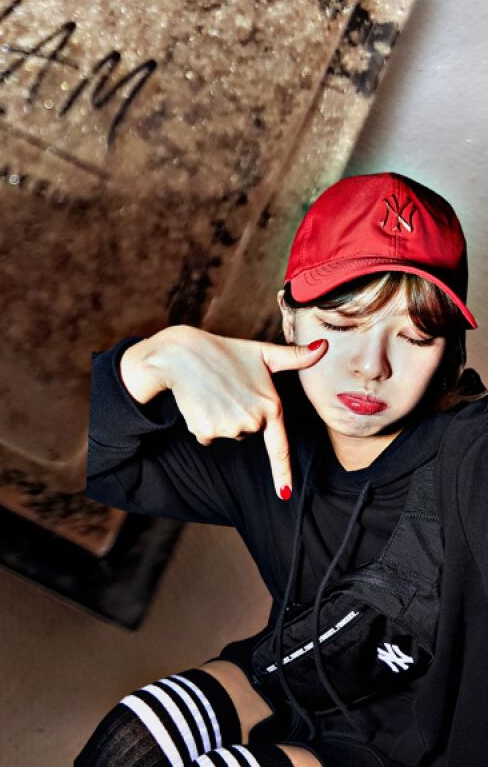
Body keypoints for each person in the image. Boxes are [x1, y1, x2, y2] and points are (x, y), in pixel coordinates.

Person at [77, 172, 487, 767]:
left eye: (415, 337)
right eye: (341, 324)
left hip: (434, 749)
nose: (371, 366)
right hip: (307, 674)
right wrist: (149, 363)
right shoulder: (267, 427)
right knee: (131, 743)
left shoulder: (470, 453)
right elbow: (90, 459)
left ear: (449, 351)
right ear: (289, 317)